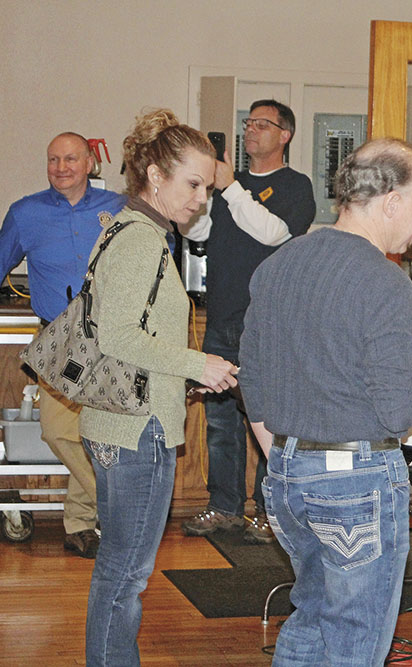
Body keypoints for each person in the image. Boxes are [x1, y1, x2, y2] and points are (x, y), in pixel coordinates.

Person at [239, 137, 412, 665]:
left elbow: (254, 380)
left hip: (288, 478)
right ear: (391, 202)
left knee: (313, 616)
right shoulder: (387, 284)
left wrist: (287, 455)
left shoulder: (278, 265)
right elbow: (397, 412)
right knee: (355, 641)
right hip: (355, 483)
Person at [80, 109, 239, 665]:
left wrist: (183, 378)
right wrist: (198, 364)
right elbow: (117, 335)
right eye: (192, 183)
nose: (200, 198)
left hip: (125, 423)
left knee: (120, 570)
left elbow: (134, 335)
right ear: (154, 176)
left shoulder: (132, 229)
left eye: (206, 186)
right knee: (126, 575)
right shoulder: (142, 238)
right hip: (135, 432)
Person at [179, 100, 315, 543]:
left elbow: (273, 233)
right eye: (248, 123)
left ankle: (269, 512)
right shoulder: (222, 189)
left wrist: (231, 186)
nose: (251, 130)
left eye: (262, 124)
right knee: (219, 421)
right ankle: (225, 508)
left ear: (285, 135)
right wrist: (196, 194)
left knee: (267, 421)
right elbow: (196, 233)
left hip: (269, 324)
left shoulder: (296, 187)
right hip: (220, 316)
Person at [0, 132, 126, 558]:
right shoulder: (25, 213)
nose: (61, 168)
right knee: (57, 431)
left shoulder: (119, 209)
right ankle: (116, 504)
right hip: (56, 338)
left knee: (98, 433)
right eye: (53, 160)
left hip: (109, 336)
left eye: (71, 159)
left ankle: (78, 525)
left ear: (90, 163)